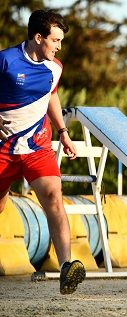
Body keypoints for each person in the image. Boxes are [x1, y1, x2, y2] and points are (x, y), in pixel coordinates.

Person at [0, 9, 85, 294]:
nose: (59, 47)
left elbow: (51, 94)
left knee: (54, 198)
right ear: (39, 38)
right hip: (4, 149)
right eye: (56, 40)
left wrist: (63, 132)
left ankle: (65, 267)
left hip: (38, 146)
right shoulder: (5, 61)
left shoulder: (55, 68)